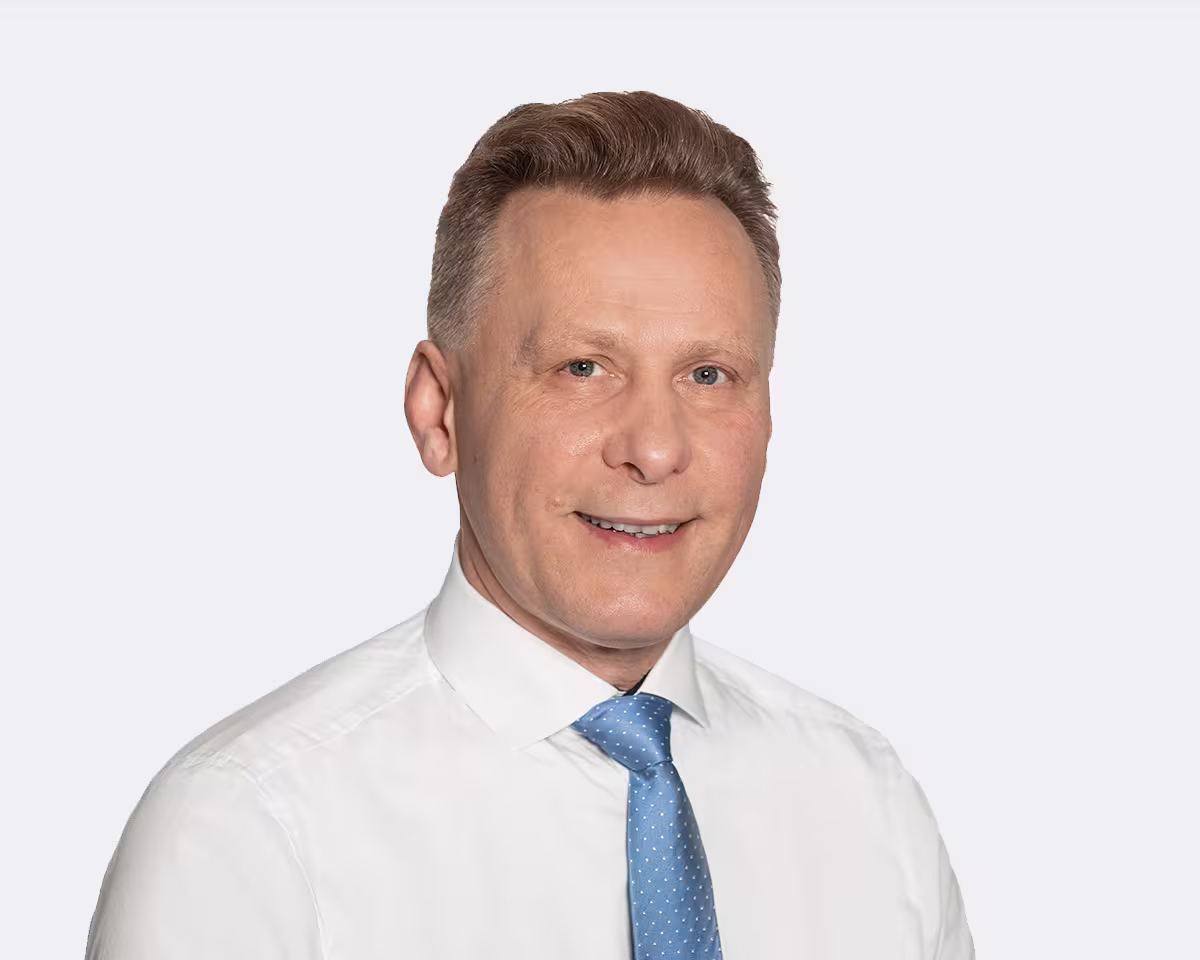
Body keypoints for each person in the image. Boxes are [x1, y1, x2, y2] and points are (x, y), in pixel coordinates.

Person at [85, 90, 974, 960]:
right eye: (583, 367)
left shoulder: (871, 810)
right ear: (439, 411)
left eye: (709, 375)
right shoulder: (250, 837)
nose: (654, 450)